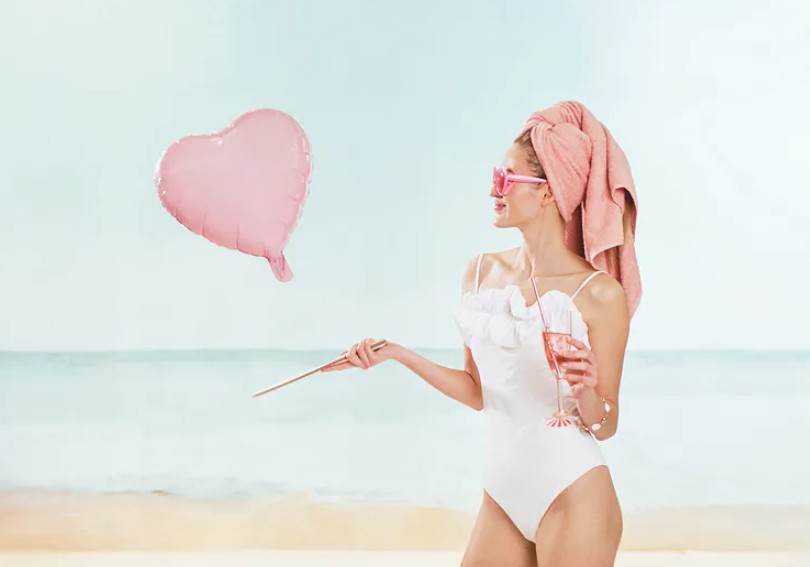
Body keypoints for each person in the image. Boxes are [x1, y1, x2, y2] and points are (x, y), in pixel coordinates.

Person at [323, 101, 641, 567]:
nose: (494, 189)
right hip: (503, 497)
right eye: (497, 176)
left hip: (574, 492)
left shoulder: (600, 295)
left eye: (507, 179)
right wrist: (398, 354)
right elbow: (477, 391)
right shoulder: (480, 274)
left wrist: (586, 391)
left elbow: (605, 423)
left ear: (549, 192)